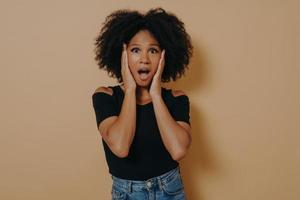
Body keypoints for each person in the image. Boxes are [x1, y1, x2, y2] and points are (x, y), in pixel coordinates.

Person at [92, 7, 193, 200]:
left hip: (170, 191)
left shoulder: (176, 99)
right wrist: (130, 89)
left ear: (164, 57)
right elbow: (120, 147)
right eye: (135, 50)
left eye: (153, 50)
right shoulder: (105, 96)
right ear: (122, 55)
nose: (144, 59)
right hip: (127, 194)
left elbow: (179, 150)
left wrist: (155, 94)